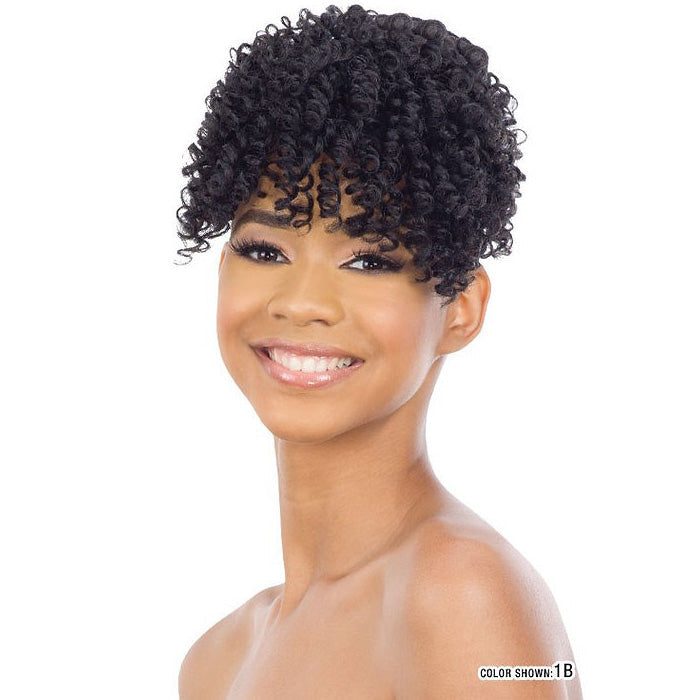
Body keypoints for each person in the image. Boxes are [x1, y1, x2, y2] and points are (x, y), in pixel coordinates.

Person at [175, 5, 583, 698]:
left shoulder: (463, 594)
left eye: (368, 261)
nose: (302, 302)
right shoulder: (215, 662)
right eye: (265, 250)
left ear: (461, 308)